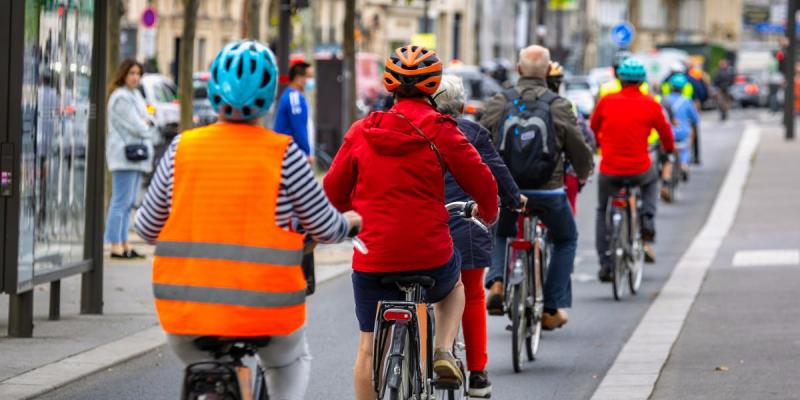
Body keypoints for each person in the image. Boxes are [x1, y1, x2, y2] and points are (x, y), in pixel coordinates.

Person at [134, 40, 361, 400]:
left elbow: (146, 227)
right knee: (291, 360)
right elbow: (324, 226)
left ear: (213, 91)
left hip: (185, 313)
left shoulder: (181, 150)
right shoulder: (284, 155)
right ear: (271, 96)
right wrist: (349, 221)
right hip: (267, 311)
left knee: (195, 362)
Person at [323, 45, 499, 398]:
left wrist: (349, 215)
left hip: (373, 254)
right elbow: (482, 180)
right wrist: (488, 212)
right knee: (454, 288)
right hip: (429, 254)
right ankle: (443, 351)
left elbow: (332, 190)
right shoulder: (443, 129)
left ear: (390, 87)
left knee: (367, 350)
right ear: (432, 87)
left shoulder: (361, 131)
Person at [480, 45, 593, 329]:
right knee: (566, 239)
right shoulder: (558, 105)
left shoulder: (498, 101)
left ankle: (496, 282)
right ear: (546, 72)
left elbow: (481, 143)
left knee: (499, 230)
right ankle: (551, 307)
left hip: (508, 190)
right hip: (549, 191)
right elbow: (578, 147)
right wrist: (584, 173)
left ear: (518, 70)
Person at [434, 74, 524, 398]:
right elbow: (497, 172)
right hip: (466, 224)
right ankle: (477, 375)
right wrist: (514, 199)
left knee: (422, 290)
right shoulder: (472, 133)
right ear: (460, 106)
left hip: (426, 225)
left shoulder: (416, 133)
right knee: (472, 295)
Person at [590, 58, 675, 280]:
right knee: (651, 181)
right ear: (641, 81)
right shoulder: (651, 103)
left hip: (610, 170)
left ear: (620, 79)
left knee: (602, 211)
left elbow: (592, 130)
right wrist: (669, 150)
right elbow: (666, 134)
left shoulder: (606, 102)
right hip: (639, 169)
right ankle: (647, 218)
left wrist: (600, 145)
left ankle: (606, 264)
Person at [105, 59, 156, 259]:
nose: (135, 77)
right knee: (120, 201)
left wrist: (147, 122)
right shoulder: (121, 97)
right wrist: (146, 123)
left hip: (135, 156)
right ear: (123, 75)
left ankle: (124, 243)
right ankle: (115, 245)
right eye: (132, 73)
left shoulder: (135, 95)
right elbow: (140, 125)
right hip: (124, 155)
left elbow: (148, 120)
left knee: (128, 203)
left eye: (138, 73)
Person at [547, 61, 597, 214]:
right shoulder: (567, 106)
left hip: (524, 174)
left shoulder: (518, 103)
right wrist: (586, 169)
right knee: (567, 228)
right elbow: (586, 139)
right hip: (563, 172)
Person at [662, 73, 699, 192]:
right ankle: (684, 165)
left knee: (667, 156)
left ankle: (665, 179)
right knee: (685, 149)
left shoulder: (664, 99)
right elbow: (695, 119)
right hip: (682, 133)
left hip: (667, 133)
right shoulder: (687, 101)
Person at [274, 61, 315, 161]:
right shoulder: (294, 97)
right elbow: (299, 127)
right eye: (308, 76)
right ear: (298, 78)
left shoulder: (292, 95)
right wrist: (307, 152)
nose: (310, 81)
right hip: (292, 155)